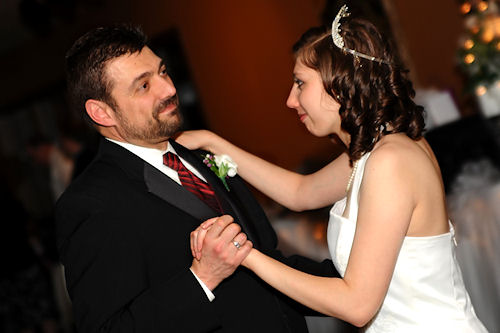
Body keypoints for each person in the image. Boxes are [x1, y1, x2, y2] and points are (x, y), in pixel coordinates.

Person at [181, 5, 488, 332]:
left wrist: (243, 254)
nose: (290, 100)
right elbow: (299, 193)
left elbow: (356, 304)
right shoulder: (374, 149)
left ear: (338, 83)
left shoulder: (391, 160)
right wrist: (213, 143)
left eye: (300, 83)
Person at [55, 24, 338, 332]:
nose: (169, 89)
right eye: (144, 86)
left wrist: (365, 286)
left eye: (162, 72)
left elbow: (267, 260)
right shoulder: (92, 203)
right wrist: (201, 278)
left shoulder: (199, 153)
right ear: (102, 113)